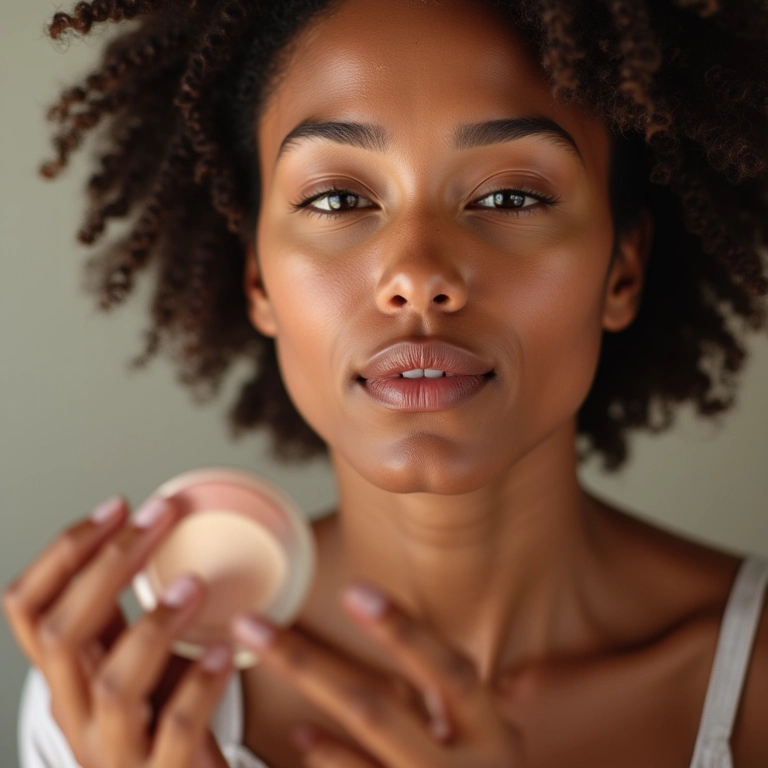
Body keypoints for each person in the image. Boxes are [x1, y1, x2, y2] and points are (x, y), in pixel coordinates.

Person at [4, 0, 768, 766]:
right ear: (258, 279)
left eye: (509, 197)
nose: (417, 276)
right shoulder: (121, 712)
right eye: (338, 199)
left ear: (621, 271)